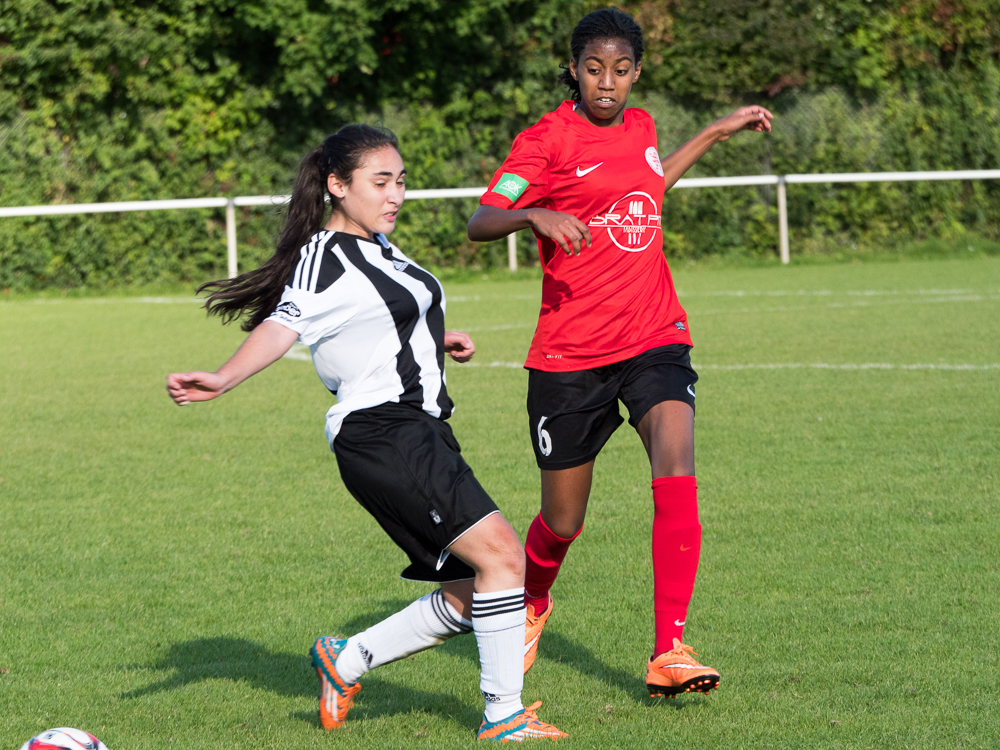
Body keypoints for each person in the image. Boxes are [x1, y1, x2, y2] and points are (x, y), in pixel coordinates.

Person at [166, 124, 567, 741]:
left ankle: (347, 659)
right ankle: (503, 716)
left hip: (418, 430)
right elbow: (283, 325)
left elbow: (379, 315)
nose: (395, 195)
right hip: (382, 432)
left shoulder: (379, 245)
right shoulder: (323, 256)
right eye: (380, 182)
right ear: (337, 185)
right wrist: (223, 378)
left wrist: (434, 340)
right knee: (506, 560)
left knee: (481, 587)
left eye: (400, 181)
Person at [467, 8, 773, 699]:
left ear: (636, 72)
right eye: (595, 69)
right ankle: (532, 602)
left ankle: (670, 649)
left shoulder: (643, 127)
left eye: (622, 69)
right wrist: (533, 213)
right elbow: (481, 220)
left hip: (654, 334)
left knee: (676, 462)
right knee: (562, 521)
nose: (608, 82)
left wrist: (715, 132)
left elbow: (649, 189)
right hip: (570, 356)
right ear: (574, 70)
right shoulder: (545, 140)